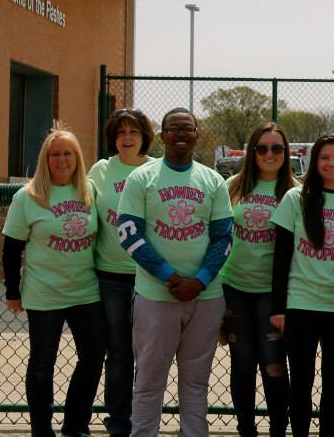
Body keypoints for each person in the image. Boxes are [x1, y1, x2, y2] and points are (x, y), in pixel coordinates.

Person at [116, 107, 234, 437]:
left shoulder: (212, 180)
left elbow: (224, 238)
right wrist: (170, 277)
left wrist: (200, 280)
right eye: (173, 128)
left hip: (205, 296)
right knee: (149, 380)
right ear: (163, 135)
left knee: (196, 382)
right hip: (156, 295)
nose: (181, 134)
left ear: (197, 134)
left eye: (188, 128)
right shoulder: (142, 178)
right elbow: (128, 234)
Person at [2, 126, 105, 437]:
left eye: (68, 153)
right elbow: (11, 249)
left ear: (77, 158)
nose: (62, 160)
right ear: (45, 160)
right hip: (43, 293)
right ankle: (41, 430)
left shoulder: (89, 191)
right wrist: (12, 292)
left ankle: (75, 426)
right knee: (42, 363)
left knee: (92, 357)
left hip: (85, 291)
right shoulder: (28, 196)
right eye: (55, 154)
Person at [269, 134, 334, 437]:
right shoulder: (295, 198)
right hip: (301, 303)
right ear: (315, 161)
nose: (331, 163)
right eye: (325, 158)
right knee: (301, 381)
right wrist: (278, 307)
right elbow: (281, 257)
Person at [219, 122, 297, 437]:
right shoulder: (233, 186)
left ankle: (278, 428)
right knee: (242, 363)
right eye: (262, 148)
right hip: (234, 287)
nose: (269, 154)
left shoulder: (294, 191)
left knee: (273, 364)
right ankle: (246, 429)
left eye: (276, 148)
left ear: (286, 152)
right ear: (252, 152)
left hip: (272, 293)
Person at [87, 108, 155, 437]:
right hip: (111, 276)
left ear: (145, 136)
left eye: (133, 132)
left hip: (149, 276)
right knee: (117, 352)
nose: (126, 138)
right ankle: (119, 419)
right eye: (120, 132)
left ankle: (144, 417)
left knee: (149, 353)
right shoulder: (101, 170)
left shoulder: (156, 170)